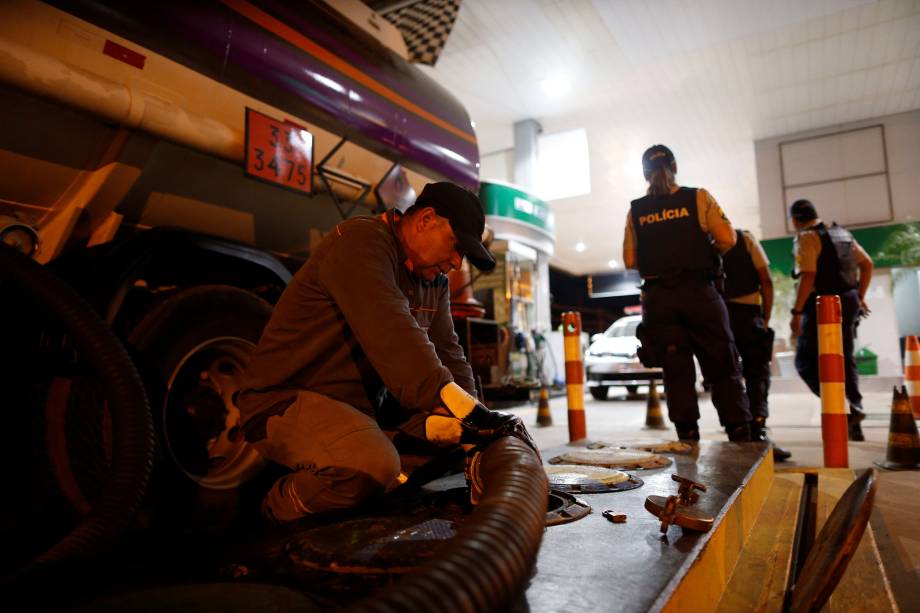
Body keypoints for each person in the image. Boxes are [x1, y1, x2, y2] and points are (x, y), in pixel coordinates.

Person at [237, 182, 536, 524]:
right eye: (455, 246)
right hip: (284, 399)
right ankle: (273, 511)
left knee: (451, 440)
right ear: (425, 219)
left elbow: (449, 355)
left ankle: (361, 490)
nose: (456, 263)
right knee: (372, 463)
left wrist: (476, 434)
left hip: (361, 412)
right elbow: (396, 336)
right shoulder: (360, 243)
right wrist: (478, 420)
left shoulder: (432, 283)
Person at [623, 144, 752, 442]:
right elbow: (727, 239)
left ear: (645, 175)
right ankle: (738, 430)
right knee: (721, 362)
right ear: (675, 167)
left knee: (676, 370)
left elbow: (630, 260)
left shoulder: (636, 210)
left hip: (659, 302)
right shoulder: (698, 197)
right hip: (699, 293)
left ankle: (687, 435)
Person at [788, 199, 874, 441]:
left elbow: (809, 276)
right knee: (844, 356)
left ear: (795, 220)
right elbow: (867, 265)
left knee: (805, 362)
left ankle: (842, 407)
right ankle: (855, 409)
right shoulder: (842, 234)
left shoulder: (806, 237)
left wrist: (796, 313)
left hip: (821, 304)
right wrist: (860, 297)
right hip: (847, 301)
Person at [721, 228, 791, 461]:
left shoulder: (705, 243)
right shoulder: (745, 238)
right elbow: (766, 280)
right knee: (757, 374)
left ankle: (738, 433)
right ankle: (757, 431)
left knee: (726, 377)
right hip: (749, 315)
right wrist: (766, 317)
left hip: (719, 317)